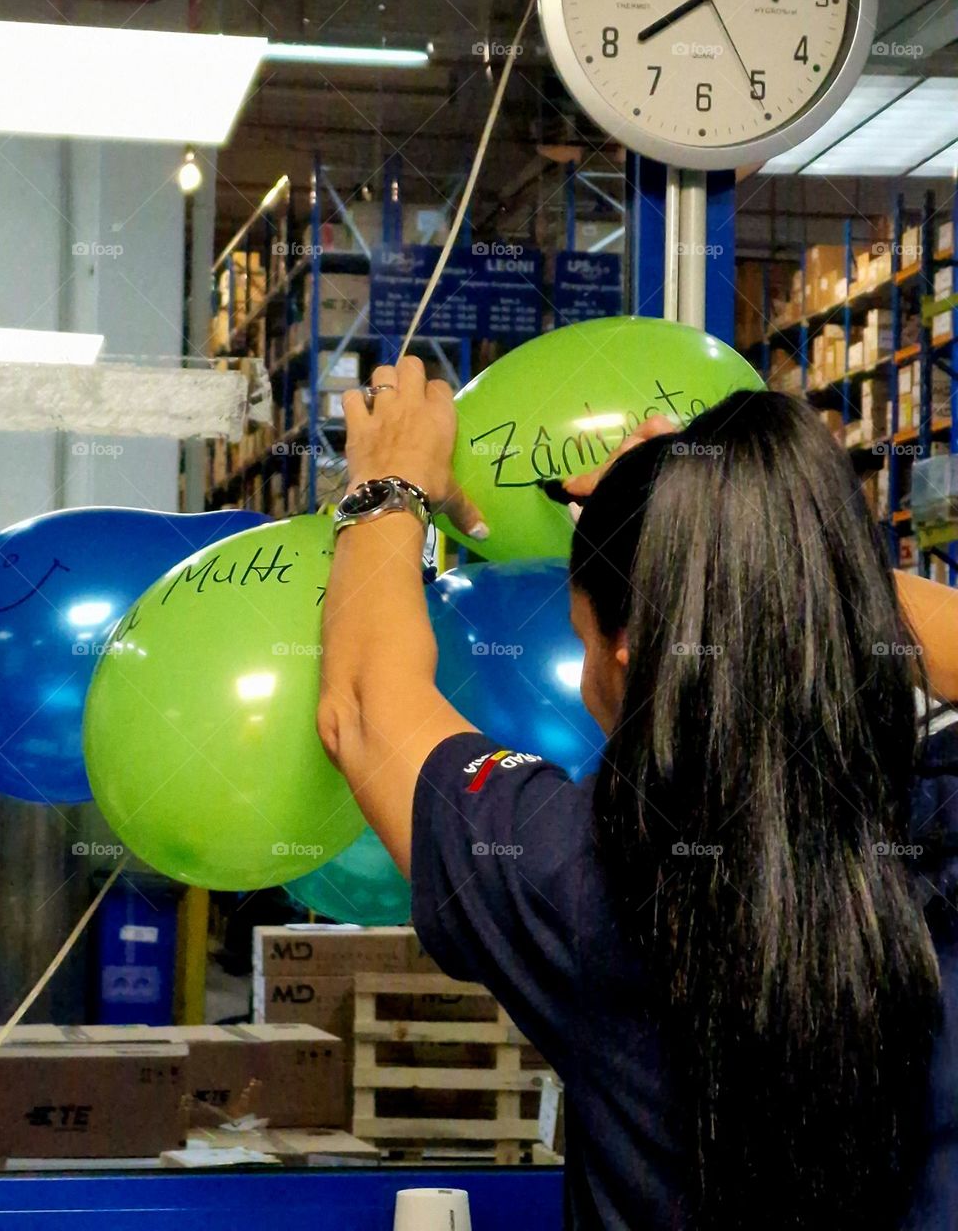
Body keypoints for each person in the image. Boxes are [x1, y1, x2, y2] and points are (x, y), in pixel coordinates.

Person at [317, 357, 958, 1230]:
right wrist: (761, 540)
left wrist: (387, 487)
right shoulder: (940, 819)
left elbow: (362, 706)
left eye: (583, 637)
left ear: (630, 651)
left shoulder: (586, 873)